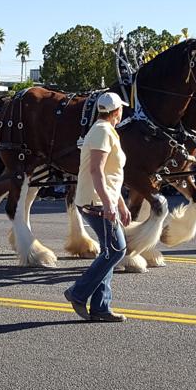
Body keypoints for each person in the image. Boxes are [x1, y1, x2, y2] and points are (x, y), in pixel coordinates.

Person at [64, 92, 130, 323]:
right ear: (116, 111)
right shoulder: (102, 131)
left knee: (109, 252)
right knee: (117, 250)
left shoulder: (106, 130)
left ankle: (101, 306)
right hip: (96, 202)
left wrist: (120, 203)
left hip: (103, 199)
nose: (123, 111)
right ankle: (78, 292)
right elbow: (96, 171)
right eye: (121, 108)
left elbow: (112, 175)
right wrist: (109, 203)